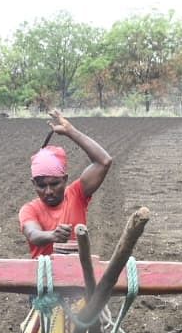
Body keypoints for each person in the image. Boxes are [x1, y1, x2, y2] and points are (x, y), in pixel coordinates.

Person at [19, 109, 113, 258]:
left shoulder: (77, 195)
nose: (48, 191)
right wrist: (52, 236)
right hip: (44, 276)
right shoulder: (30, 209)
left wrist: (70, 131)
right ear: (33, 184)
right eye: (41, 186)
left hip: (77, 274)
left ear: (65, 179)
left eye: (54, 184)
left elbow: (104, 161)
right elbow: (33, 234)